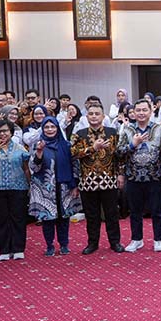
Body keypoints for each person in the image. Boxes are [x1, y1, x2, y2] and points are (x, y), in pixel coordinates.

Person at [70, 104, 124, 255]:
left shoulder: (112, 132)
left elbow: (118, 155)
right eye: (91, 114)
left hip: (109, 180)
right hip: (88, 182)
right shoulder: (79, 134)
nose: (94, 116)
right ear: (86, 117)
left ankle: (115, 242)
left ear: (103, 116)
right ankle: (92, 243)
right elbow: (73, 153)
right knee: (91, 215)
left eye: (97, 114)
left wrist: (120, 173)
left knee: (112, 214)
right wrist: (92, 148)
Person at [118, 99, 161, 253]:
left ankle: (158, 239)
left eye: (144, 110)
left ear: (151, 111)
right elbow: (119, 152)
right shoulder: (127, 129)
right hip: (133, 176)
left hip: (154, 176)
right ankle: (136, 239)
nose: (141, 113)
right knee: (135, 211)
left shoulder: (160, 129)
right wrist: (133, 144)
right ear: (133, 112)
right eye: (137, 110)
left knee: (157, 210)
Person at [29, 116, 82, 257]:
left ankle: (64, 245)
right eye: (46, 127)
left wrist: (75, 184)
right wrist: (39, 152)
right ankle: (49, 245)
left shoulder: (67, 145)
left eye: (53, 127)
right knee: (47, 218)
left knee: (64, 218)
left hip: (65, 186)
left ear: (58, 128)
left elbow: (75, 166)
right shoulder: (37, 145)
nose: (50, 129)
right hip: (45, 189)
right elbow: (33, 168)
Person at [0, 119, 30, 261]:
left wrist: (30, 184)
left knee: (18, 218)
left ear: (11, 132)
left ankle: (18, 248)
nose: (2, 134)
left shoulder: (20, 148)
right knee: (1, 219)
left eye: (5, 131)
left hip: (18, 187)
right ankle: (4, 250)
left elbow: (26, 168)